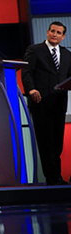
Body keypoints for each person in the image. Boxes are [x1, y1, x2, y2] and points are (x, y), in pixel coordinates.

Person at [21, 22, 71, 185]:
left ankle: (56, 175)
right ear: (47, 32)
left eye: (59, 32)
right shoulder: (35, 50)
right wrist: (31, 89)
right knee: (45, 140)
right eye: (52, 31)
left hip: (59, 101)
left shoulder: (67, 54)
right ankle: (52, 176)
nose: (55, 34)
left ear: (63, 36)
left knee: (57, 140)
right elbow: (27, 72)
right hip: (40, 101)